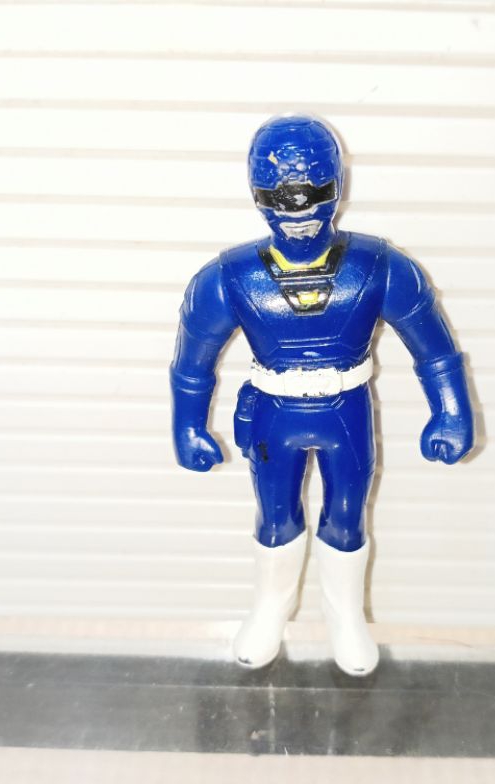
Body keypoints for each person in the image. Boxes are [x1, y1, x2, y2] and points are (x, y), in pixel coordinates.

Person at [170, 114, 474, 676]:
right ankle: (271, 607)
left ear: (338, 186)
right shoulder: (228, 277)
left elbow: (433, 348)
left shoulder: (380, 267)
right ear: (257, 196)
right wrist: (187, 424)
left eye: (314, 193)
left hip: (346, 410)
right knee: (274, 514)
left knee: (347, 515)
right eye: (279, 197)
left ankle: (345, 616)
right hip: (274, 412)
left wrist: (451, 410)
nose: (298, 210)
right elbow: (193, 360)